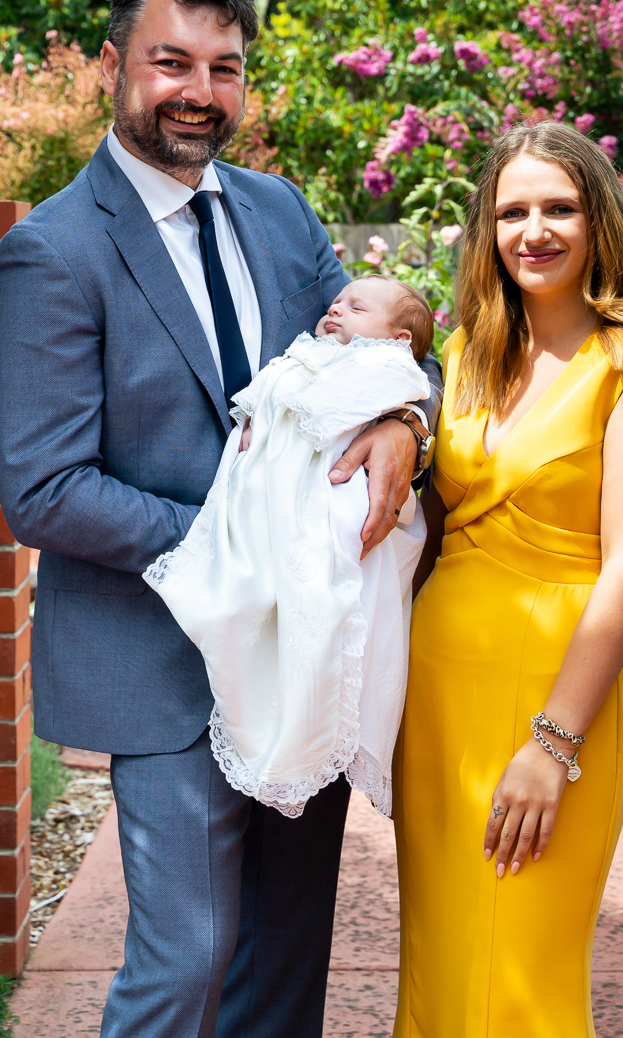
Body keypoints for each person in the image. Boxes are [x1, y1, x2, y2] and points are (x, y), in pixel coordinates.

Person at [0, 0, 441, 1038]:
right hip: (163, 659)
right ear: (112, 67)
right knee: (185, 960)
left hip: (306, 651)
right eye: (171, 62)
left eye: (223, 67)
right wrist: (248, 545)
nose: (199, 90)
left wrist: (406, 424)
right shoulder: (52, 250)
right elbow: (45, 489)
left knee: (283, 964)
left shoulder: (280, 211)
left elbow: (391, 354)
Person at [392, 122, 623, 1037]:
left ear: (598, 219)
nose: (534, 231)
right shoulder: (464, 354)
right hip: (438, 704)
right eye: (512, 211)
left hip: (556, 702)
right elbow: (425, 528)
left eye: (558, 208)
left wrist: (552, 745)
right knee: (444, 970)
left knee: (522, 979)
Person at [145, 276, 436, 820]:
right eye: (337, 302)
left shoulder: (385, 365)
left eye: (355, 306)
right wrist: (264, 411)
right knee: (242, 613)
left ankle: (306, 725)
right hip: (266, 497)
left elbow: (399, 385)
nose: (336, 308)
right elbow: (272, 396)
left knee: (325, 601)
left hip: (330, 497)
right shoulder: (307, 355)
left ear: (397, 339)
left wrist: (408, 423)